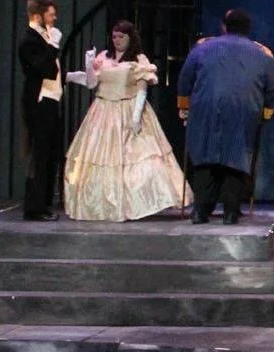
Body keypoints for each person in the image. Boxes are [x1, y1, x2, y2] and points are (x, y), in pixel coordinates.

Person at [62, 19, 186, 222]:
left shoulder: (138, 59)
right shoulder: (104, 56)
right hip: (103, 110)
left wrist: (136, 117)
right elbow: (92, 83)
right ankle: (103, 204)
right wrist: (88, 65)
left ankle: (134, 203)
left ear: (130, 38)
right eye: (114, 37)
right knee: (101, 158)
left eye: (121, 37)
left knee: (137, 158)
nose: (117, 40)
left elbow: (142, 90)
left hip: (128, 108)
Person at [175, 8, 274, 224]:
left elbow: (185, 77)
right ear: (248, 28)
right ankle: (231, 211)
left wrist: (184, 105)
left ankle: (200, 211)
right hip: (244, 110)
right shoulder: (263, 54)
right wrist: (266, 112)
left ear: (224, 26)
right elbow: (273, 87)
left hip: (206, 107)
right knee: (237, 157)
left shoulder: (202, 48)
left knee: (205, 156)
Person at [17, 0, 66, 221]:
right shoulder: (29, 40)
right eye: (51, 14)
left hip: (50, 101)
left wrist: (69, 77)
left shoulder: (42, 37)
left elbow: (53, 72)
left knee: (50, 154)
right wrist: (53, 45)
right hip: (39, 103)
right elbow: (43, 68)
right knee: (40, 155)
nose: (54, 18)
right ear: (38, 16)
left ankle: (44, 204)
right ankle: (34, 208)